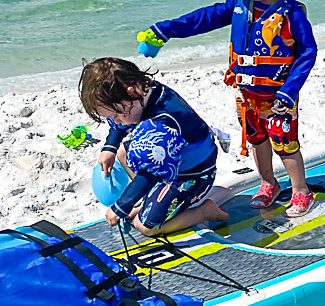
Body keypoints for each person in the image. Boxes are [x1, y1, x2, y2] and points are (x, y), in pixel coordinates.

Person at [137, 0, 318, 217]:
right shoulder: (238, 5)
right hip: (247, 95)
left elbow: (307, 53)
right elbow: (203, 18)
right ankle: (269, 183)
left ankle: (301, 191)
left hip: (279, 97)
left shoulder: (292, 14)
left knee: (285, 143)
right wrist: (164, 30)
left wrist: (289, 90)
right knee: (257, 140)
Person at [80, 58, 228, 234]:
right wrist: (109, 147)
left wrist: (121, 207)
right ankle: (148, 200)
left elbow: (151, 172)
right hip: (169, 161)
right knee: (122, 152)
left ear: (132, 92)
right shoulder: (143, 93)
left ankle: (204, 212)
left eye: (117, 115)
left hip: (193, 175)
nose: (116, 121)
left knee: (144, 227)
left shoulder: (164, 120)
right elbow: (120, 125)